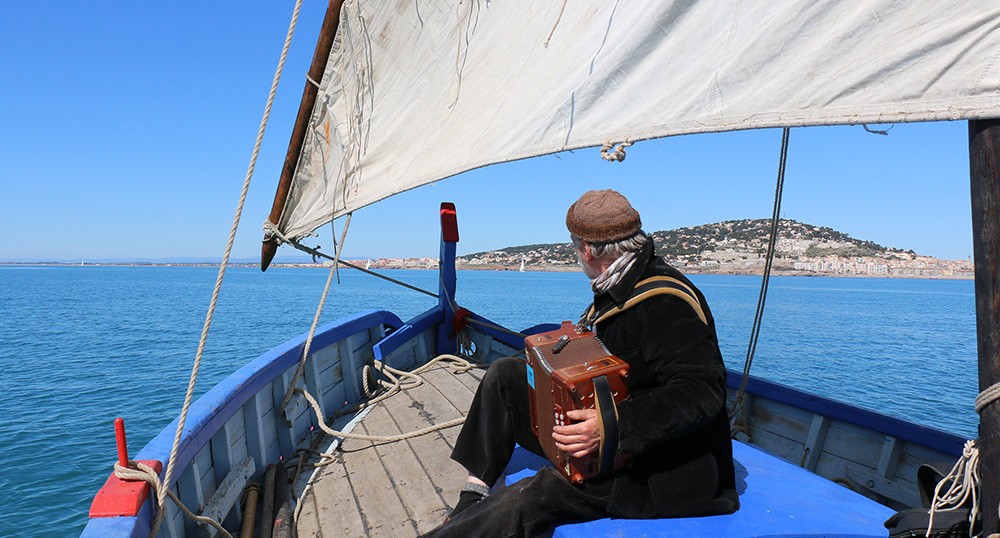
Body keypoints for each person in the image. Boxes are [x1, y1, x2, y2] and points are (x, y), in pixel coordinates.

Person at [422, 189, 739, 537]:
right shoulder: (619, 286)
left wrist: (610, 426)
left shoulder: (665, 301)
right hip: (610, 440)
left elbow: (703, 391)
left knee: (530, 496)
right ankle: (473, 495)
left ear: (586, 249)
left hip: (663, 467)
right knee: (506, 375)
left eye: (574, 246)